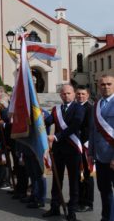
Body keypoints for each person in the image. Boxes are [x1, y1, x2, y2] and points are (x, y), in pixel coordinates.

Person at [43, 84, 85, 221]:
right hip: (59, 150)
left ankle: (71, 210)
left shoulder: (79, 108)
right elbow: (48, 120)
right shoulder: (56, 109)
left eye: (68, 93)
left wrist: (56, 137)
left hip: (73, 149)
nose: (66, 96)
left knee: (74, 181)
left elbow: (75, 125)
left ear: (73, 94)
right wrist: (40, 117)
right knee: (57, 179)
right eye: (63, 93)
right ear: (60, 95)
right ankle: (55, 207)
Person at [89, 75, 114, 221]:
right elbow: (93, 131)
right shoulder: (96, 105)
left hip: (112, 156)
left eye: (109, 84)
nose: (106, 87)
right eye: (103, 84)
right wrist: (91, 153)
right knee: (104, 191)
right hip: (100, 156)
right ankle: (106, 217)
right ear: (99, 86)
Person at [75, 85, 94, 213]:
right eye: (78, 94)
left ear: (87, 95)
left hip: (85, 146)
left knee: (87, 175)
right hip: (76, 145)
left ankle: (88, 202)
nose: (80, 96)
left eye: (83, 94)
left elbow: (90, 128)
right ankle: (79, 200)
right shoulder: (75, 107)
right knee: (78, 175)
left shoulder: (90, 109)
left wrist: (82, 141)